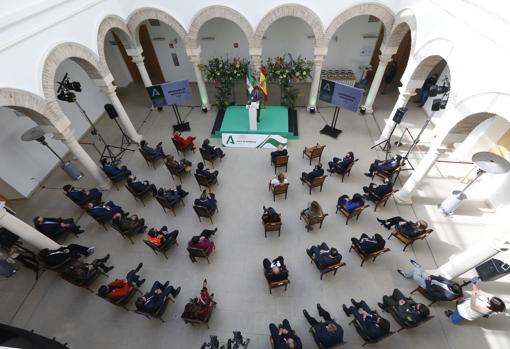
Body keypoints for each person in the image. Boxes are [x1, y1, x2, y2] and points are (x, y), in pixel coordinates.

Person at [398, 260, 463, 301]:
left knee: (416, 277)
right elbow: (444, 280)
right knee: (421, 272)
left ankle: (417, 268)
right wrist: (433, 277)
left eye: (450, 287)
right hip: (433, 280)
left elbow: (431, 292)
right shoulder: (456, 286)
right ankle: (412, 271)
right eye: (452, 284)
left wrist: (428, 282)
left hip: (428, 286)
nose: (451, 284)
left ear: (451, 290)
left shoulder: (447, 296)